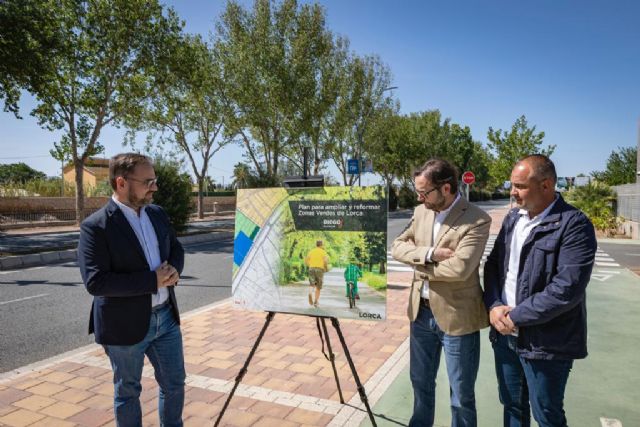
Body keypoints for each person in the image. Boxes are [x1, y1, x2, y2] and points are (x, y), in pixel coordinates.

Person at [484, 154, 597, 427]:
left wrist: (515, 316)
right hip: (505, 336)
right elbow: (493, 266)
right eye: (512, 185)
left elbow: (566, 289)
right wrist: (494, 305)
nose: (513, 192)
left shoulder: (574, 224)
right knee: (512, 407)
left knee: (547, 415)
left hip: (546, 343)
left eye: (520, 186)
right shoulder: (513, 219)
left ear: (546, 185)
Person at [78, 153, 186, 427]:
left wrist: (174, 268)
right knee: (127, 393)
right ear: (121, 182)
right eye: (148, 181)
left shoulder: (158, 214)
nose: (155, 187)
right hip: (123, 326)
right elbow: (96, 282)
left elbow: (175, 248)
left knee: (174, 385)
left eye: (155, 180)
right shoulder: (96, 227)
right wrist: (152, 281)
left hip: (166, 319)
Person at [391, 158, 491, 427]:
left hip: (457, 317)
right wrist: (429, 254)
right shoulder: (421, 211)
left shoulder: (477, 219)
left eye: (425, 192)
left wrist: (418, 267)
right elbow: (397, 247)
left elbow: (459, 269)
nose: (420, 197)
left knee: (461, 394)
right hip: (421, 314)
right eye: (418, 192)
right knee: (420, 383)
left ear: (446, 188)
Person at [304, 240, 329, 307]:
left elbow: (306, 260)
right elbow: (325, 261)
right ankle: (316, 301)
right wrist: (326, 268)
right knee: (318, 286)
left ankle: (310, 293)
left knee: (312, 284)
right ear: (321, 245)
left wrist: (310, 265)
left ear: (316, 244)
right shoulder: (323, 252)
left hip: (311, 268)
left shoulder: (311, 251)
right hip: (319, 269)